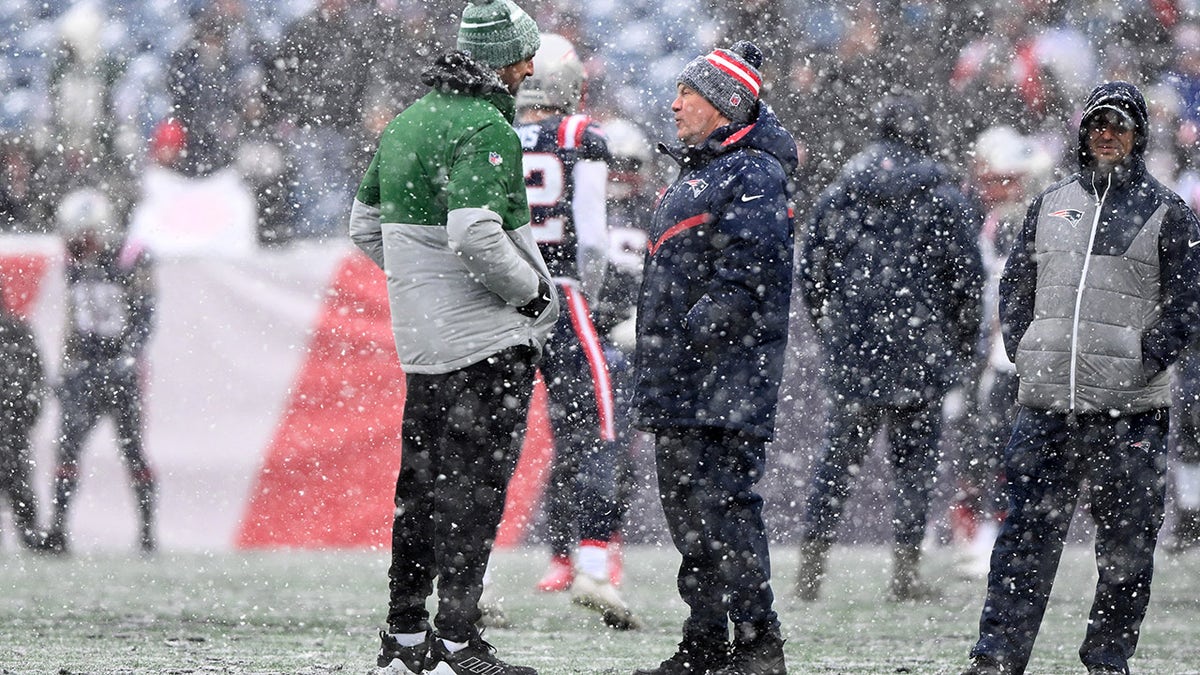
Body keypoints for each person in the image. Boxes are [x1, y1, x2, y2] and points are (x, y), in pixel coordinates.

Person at [960, 81, 1200, 675]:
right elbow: (1016, 291)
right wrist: (1030, 351)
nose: (1107, 133)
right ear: (1083, 131)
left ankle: (1107, 659)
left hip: (1132, 413)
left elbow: (1188, 303)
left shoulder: (1168, 212)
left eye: (1119, 124)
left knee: (1126, 552)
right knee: (1021, 547)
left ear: (1139, 134)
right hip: (1046, 409)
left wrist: (1145, 357)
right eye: (1098, 123)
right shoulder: (1048, 204)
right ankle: (996, 659)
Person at [348, 2, 555, 674]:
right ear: (499, 59)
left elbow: (363, 227)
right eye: (523, 57)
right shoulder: (484, 125)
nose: (529, 69)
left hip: (426, 345)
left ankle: (405, 639)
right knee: (474, 493)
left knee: (420, 490)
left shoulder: (406, 121)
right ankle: (460, 640)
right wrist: (531, 294)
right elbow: (474, 232)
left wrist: (424, 286)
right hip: (484, 345)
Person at [630, 40, 795, 675]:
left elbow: (750, 276)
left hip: (722, 381)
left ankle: (758, 643)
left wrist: (689, 334)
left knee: (725, 508)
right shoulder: (703, 170)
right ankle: (704, 643)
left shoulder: (751, 172)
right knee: (690, 517)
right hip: (684, 380)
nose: (673, 105)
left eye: (687, 94)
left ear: (724, 105)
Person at [797, 93, 984, 602]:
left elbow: (811, 271)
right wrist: (958, 344)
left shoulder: (843, 190)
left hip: (856, 350)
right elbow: (967, 279)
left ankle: (809, 578)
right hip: (920, 353)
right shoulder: (942, 194)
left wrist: (831, 330)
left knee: (834, 466)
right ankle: (905, 575)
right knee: (915, 471)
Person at [512, 32, 638, 629]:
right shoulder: (578, 135)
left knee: (489, 442)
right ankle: (591, 561)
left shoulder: (495, 136)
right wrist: (581, 287)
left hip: (506, 299)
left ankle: (471, 578)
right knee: (598, 429)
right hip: (563, 296)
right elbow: (589, 236)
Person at [47, 186, 157, 555]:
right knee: (67, 449)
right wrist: (66, 364)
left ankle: (146, 533)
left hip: (119, 369)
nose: (79, 245)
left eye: (84, 236)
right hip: (86, 367)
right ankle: (58, 530)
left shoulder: (131, 256)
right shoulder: (76, 262)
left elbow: (145, 316)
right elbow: (73, 318)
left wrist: (128, 356)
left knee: (132, 450)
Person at [0, 281, 49, 551]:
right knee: (17, 477)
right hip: (14, 415)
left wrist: (30, 409)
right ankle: (28, 529)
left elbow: (36, 373)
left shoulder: (17, 330)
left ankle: (28, 530)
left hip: (13, 417)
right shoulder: (18, 330)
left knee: (17, 477)